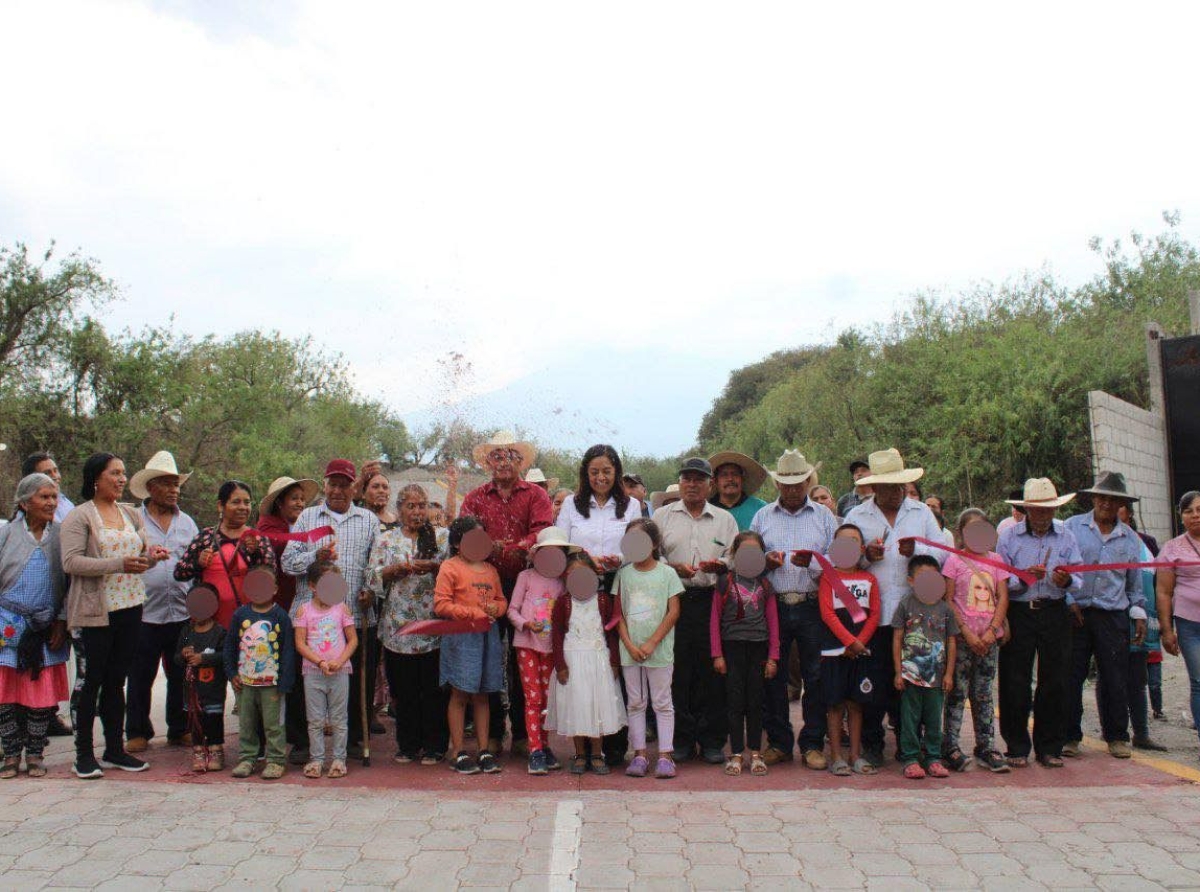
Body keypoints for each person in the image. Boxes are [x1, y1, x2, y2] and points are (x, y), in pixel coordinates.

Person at [62, 452, 168, 779]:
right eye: (115, 473)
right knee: (89, 681)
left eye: (123, 473)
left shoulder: (131, 514)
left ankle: (113, 749)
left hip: (130, 607)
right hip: (95, 612)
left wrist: (153, 558)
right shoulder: (80, 517)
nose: (122, 479)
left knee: (115, 680)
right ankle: (82, 754)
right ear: (96, 477)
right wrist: (116, 565)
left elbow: (140, 555)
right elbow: (71, 562)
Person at [844, 448, 944, 768]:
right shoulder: (857, 516)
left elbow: (943, 555)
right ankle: (873, 744)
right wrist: (864, 557)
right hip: (871, 615)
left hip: (915, 615)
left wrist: (919, 550)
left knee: (911, 684)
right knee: (872, 681)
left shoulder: (921, 513)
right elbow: (842, 561)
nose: (893, 492)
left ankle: (908, 743)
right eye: (886, 487)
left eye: (898, 486)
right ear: (873, 488)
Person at [459, 430, 553, 759]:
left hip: (526, 584)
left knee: (523, 658)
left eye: (509, 455)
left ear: (520, 461)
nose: (502, 461)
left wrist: (516, 547)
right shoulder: (474, 498)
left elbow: (542, 530)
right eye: (496, 456)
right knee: (488, 658)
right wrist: (486, 547)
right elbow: (464, 534)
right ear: (488, 461)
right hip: (483, 584)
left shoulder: (536, 496)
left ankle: (526, 734)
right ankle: (495, 731)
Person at [282, 459, 380, 758]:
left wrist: (371, 591)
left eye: (344, 484)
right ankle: (302, 742)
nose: (338, 490)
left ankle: (350, 741)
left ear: (354, 487)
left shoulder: (368, 520)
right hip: (309, 618)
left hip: (352, 614)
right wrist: (315, 556)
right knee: (304, 681)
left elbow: (376, 565)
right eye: (333, 484)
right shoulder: (307, 519)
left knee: (354, 680)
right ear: (324, 485)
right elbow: (287, 562)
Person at [752, 449, 837, 769]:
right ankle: (779, 742)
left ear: (808, 481)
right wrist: (765, 563)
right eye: (785, 483)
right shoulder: (762, 517)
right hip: (774, 604)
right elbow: (748, 560)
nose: (791, 488)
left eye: (798, 482)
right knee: (773, 675)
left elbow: (836, 560)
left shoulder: (824, 516)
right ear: (777, 484)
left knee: (816, 675)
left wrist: (814, 562)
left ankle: (812, 742)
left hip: (813, 604)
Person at [653, 457, 738, 764]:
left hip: (712, 599)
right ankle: (682, 739)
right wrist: (671, 567)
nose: (692, 484)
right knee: (678, 672)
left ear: (709, 484)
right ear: (680, 481)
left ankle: (713, 739)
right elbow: (652, 556)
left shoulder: (724, 519)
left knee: (712, 671)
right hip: (673, 599)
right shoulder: (662, 516)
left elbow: (734, 556)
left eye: (699, 479)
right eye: (687, 478)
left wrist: (723, 566)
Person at [996, 478, 1083, 768]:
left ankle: (1050, 746)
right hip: (1020, 611)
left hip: (1055, 610)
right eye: (1037, 510)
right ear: (1026, 510)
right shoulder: (1009, 537)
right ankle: (1017, 745)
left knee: (1055, 679)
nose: (1043, 516)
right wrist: (1022, 578)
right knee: (1014, 679)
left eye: (1049, 510)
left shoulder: (1067, 536)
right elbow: (1001, 579)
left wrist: (1066, 579)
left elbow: (1079, 576)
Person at [1064, 472, 1147, 760]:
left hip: (1112, 614)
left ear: (1121, 504)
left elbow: (1134, 583)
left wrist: (1139, 614)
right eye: (1102, 497)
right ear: (1093, 498)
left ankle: (1116, 736)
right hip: (1077, 612)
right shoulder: (1073, 527)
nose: (1106, 504)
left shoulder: (1129, 538)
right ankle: (1070, 736)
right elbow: (1062, 569)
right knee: (1071, 676)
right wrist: (1068, 599)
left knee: (1115, 677)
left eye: (1113, 499)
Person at [367, 483, 449, 766]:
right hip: (397, 629)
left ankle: (435, 745)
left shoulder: (441, 537)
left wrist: (436, 567)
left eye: (422, 505)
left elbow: (454, 572)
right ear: (399, 509)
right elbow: (373, 577)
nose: (417, 512)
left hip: (432, 627)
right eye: (411, 506)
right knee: (403, 690)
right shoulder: (386, 540)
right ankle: (408, 744)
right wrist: (395, 570)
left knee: (433, 690)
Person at [125, 451, 198, 754]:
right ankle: (138, 730)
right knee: (140, 674)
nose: (174, 490)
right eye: (167, 484)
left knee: (180, 673)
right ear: (151, 486)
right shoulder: (133, 520)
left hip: (180, 611)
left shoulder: (187, 524)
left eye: (177, 484)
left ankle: (179, 728)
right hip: (143, 611)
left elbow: (194, 563)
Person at [0, 474, 69, 778]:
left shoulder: (61, 535)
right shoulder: (6, 534)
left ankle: (36, 754)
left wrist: (61, 621)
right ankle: (12, 754)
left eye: (54, 497)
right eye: (44, 497)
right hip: (7, 625)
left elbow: (69, 583)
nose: (51, 503)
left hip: (46, 625)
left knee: (40, 696)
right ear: (25, 503)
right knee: (5, 695)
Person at [434, 516, 507, 775]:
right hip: (461, 637)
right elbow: (441, 605)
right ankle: (458, 750)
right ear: (456, 543)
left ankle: (484, 749)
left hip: (488, 636)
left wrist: (495, 609)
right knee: (460, 693)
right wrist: (472, 613)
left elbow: (501, 601)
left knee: (483, 694)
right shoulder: (449, 567)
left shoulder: (490, 570)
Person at [940, 509, 1010, 773]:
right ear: (961, 534)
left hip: (989, 639)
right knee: (956, 692)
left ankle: (986, 745)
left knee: (983, 694)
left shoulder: (996, 561)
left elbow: (1002, 597)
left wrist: (992, 630)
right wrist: (966, 632)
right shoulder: (954, 561)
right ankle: (951, 746)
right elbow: (948, 599)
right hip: (961, 639)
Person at [546, 552, 626, 775]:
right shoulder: (563, 603)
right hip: (573, 663)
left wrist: (614, 662)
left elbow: (611, 633)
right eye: (572, 575)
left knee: (597, 706)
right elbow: (558, 635)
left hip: (598, 661)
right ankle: (580, 753)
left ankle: (597, 753)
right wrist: (560, 665)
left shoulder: (602, 601)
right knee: (577, 707)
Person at [256, 475, 318, 761]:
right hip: (275, 608)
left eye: (301, 499)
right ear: (279, 502)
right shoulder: (268, 530)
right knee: (278, 675)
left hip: (298, 608)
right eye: (293, 498)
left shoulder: (298, 527)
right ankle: (272, 736)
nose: (299, 503)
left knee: (293, 674)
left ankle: (294, 734)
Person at [614, 517, 682, 780]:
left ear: (654, 543)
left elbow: (673, 611)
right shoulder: (623, 574)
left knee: (663, 702)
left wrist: (653, 641)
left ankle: (665, 756)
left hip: (660, 651)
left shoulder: (667, 573)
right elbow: (618, 614)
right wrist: (630, 644)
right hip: (630, 652)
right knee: (636, 702)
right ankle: (639, 754)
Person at [507, 526, 575, 775]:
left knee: (547, 699)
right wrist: (526, 624)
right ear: (536, 553)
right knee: (533, 698)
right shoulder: (525, 577)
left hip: (551, 649)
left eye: (558, 551)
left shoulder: (562, 582)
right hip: (527, 645)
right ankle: (534, 749)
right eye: (548, 550)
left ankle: (544, 746)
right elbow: (512, 609)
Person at [711, 531, 779, 776]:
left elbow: (773, 622)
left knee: (755, 703)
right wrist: (717, 654)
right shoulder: (724, 581)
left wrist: (773, 657)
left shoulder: (765, 584)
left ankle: (756, 753)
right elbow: (714, 621)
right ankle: (736, 753)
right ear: (734, 554)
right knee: (734, 702)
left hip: (758, 648)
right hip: (732, 649)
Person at [816, 523, 880, 777]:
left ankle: (855, 754)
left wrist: (859, 642)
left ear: (862, 548)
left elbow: (874, 614)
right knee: (834, 705)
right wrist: (848, 641)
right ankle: (836, 756)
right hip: (834, 651)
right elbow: (827, 613)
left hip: (861, 651)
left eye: (854, 542)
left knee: (856, 704)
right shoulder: (827, 578)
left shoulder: (869, 579)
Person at [224, 566, 295, 780]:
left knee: (273, 724)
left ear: (274, 589)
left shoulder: (280, 616)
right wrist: (231, 673)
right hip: (245, 682)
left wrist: (284, 683)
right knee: (246, 723)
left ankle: (275, 760)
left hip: (271, 683)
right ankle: (247, 758)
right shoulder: (240, 614)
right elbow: (230, 646)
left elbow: (288, 651)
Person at [174, 481, 275, 629]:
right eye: (236, 502)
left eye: (247, 502)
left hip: (250, 623)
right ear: (221, 505)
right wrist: (198, 563)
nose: (243, 507)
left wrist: (255, 553)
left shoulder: (257, 538)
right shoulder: (206, 537)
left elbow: (271, 577)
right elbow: (179, 573)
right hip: (210, 623)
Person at [893, 555, 958, 780]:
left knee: (933, 718)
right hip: (910, 675)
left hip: (936, 677)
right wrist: (898, 671)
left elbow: (951, 641)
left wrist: (949, 673)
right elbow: (897, 638)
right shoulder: (905, 605)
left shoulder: (946, 609)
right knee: (909, 718)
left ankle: (933, 758)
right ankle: (910, 758)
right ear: (911, 581)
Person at [294, 562, 358, 779]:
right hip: (313, 673)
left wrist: (340, 661)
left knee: (340, 718)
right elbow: (300, 643)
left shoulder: (342, 609)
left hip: (340, 672)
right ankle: (317, 759)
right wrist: (320, 662)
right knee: (315, 720)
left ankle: (339, 759)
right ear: (313, 586)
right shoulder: (304, 610)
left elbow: (352, 640)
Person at [1157, 490, 1200, 758]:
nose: (1196, 515)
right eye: (1189, 511)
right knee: (1198, 681)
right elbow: (1163, 591)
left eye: (1199, 510)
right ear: (1181, 516)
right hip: (1189, 625)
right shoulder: (1172, 549)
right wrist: (1166, 629)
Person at [558, 445, 643, 573]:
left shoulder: (632, 505)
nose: (601, 477)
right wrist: (585, 559)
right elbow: (561, 545)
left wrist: (620, 559)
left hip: (620, 583)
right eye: (594, 472)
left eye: (607, 471)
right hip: (580, 580)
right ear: (586, 474)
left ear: (616, 472)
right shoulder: (570, 504)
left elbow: (637, 547)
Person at [175, 583, 227, 772]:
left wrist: (203, 658)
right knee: (195, 723)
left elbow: (225, 656)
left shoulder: (220, 632)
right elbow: (176, 659)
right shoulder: (186, 632)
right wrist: (184, 655)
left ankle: (216, 750)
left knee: (214, 721)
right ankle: (198, 751)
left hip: (213, 689)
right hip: (192, 691)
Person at [708, 452, 769, 532]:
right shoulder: (707, 509)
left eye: (735, 474)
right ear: (715, 481)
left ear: (742, 479)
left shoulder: (761, 508)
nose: (730, 479)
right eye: (724, 475)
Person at [22, 452, 75, 525]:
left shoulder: (66, 503)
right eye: (47, 473)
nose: (55, 476)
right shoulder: (30, 507)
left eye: (55, 471)